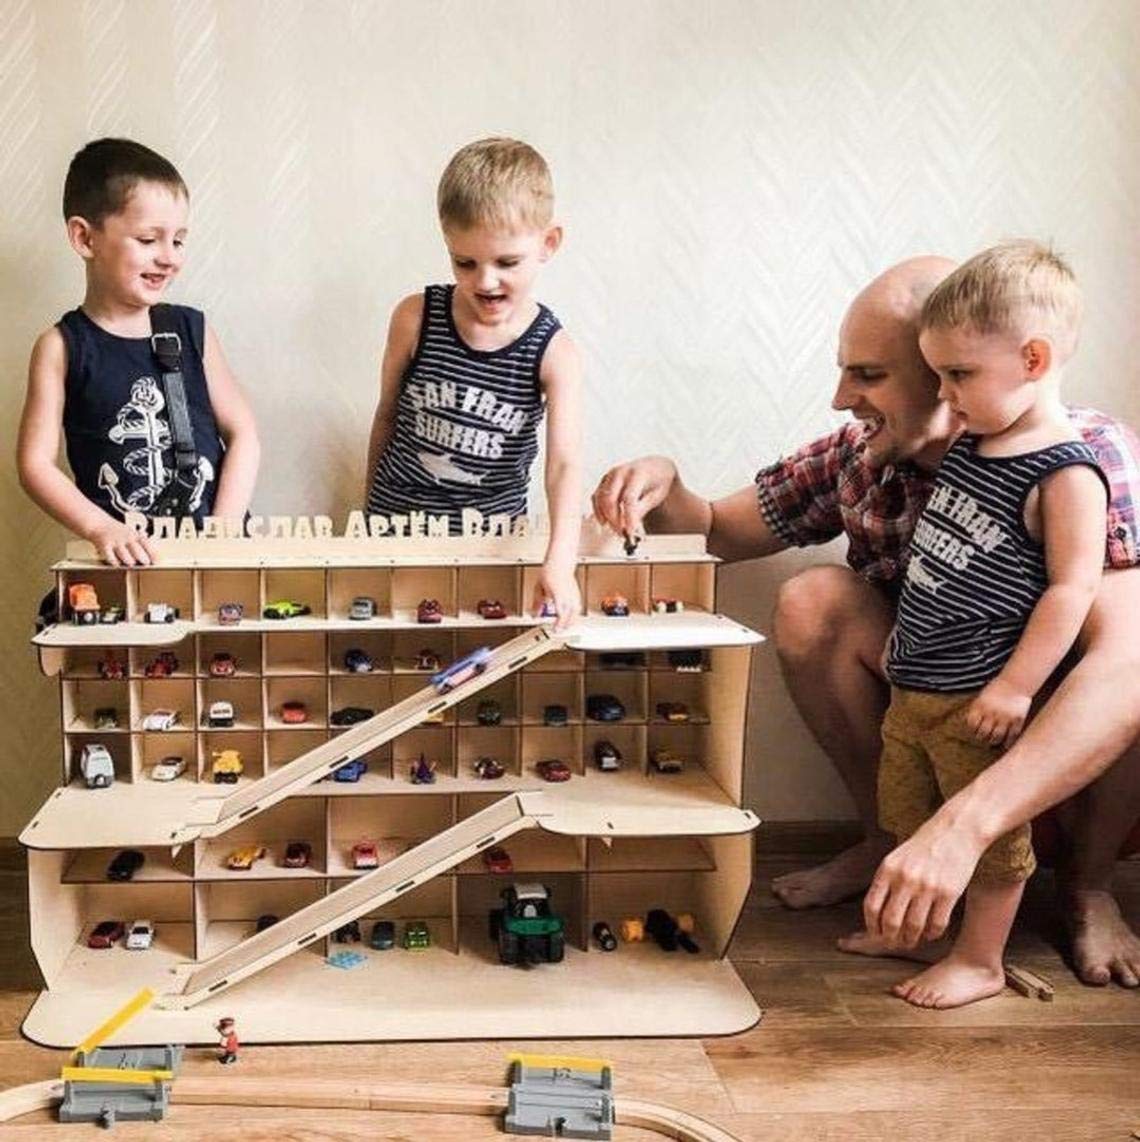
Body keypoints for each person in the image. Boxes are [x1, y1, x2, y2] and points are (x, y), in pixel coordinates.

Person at [592, 255, 1140, 988]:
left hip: (1040, 724)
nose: (841, 396)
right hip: (933, 709)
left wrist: (967, 824)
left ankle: (1086, 885)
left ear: (946, 371)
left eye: (869, 375)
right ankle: (890, 848)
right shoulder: (863, 455)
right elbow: (720, 528)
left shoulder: (1077, 459)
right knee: (813, 600)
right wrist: (666, 483)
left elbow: (1124, 667)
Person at [837, 242, 1107, 1008]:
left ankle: (981, 959)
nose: (946, 394)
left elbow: (1071, 589)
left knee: (988, 842)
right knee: (906, 812)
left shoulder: (1065, 471)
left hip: (976, 699)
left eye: (960, 375)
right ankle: (910, 926)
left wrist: (1018, 688)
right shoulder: (972, 443)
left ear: (1033, 357)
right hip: (914, 689)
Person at [364, 137, 582, 628]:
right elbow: (386, 416)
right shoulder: (415, 317)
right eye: (465, 262)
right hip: (397, 531)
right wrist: (367, 520)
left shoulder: (554, 351)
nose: (485, 282)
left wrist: (560, 561)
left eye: (506, 263)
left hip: (490, 545)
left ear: (548, 244)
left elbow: (564, 465)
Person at [16, 138, 259, 567]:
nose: (169, 258)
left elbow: (244, 433)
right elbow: (35, 464)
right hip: (127, 564)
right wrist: (100, 527)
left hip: (215, 558)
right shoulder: (61, 347)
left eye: (179, 241)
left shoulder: (191, 329)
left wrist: (223, 533)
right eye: (149, 239)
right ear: (84, 237)